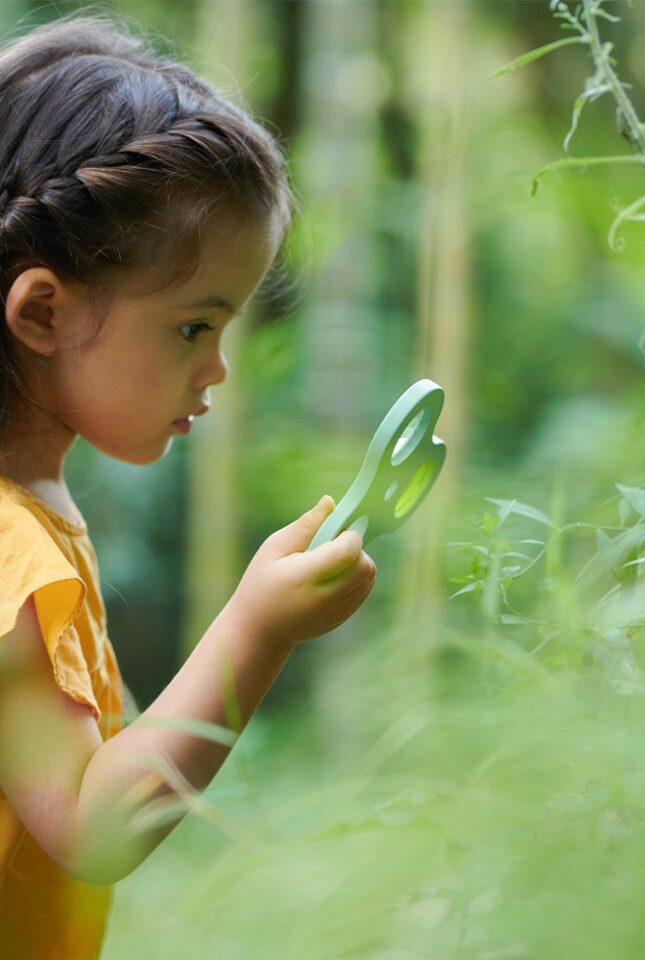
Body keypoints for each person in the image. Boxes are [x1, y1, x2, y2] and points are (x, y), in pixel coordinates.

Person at [0, 10, 377, 958]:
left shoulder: (30, 517)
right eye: (191, 327)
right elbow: (93, 826)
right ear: (43, 312)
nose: (215, 370)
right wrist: (258, 629)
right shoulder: (7, 548)